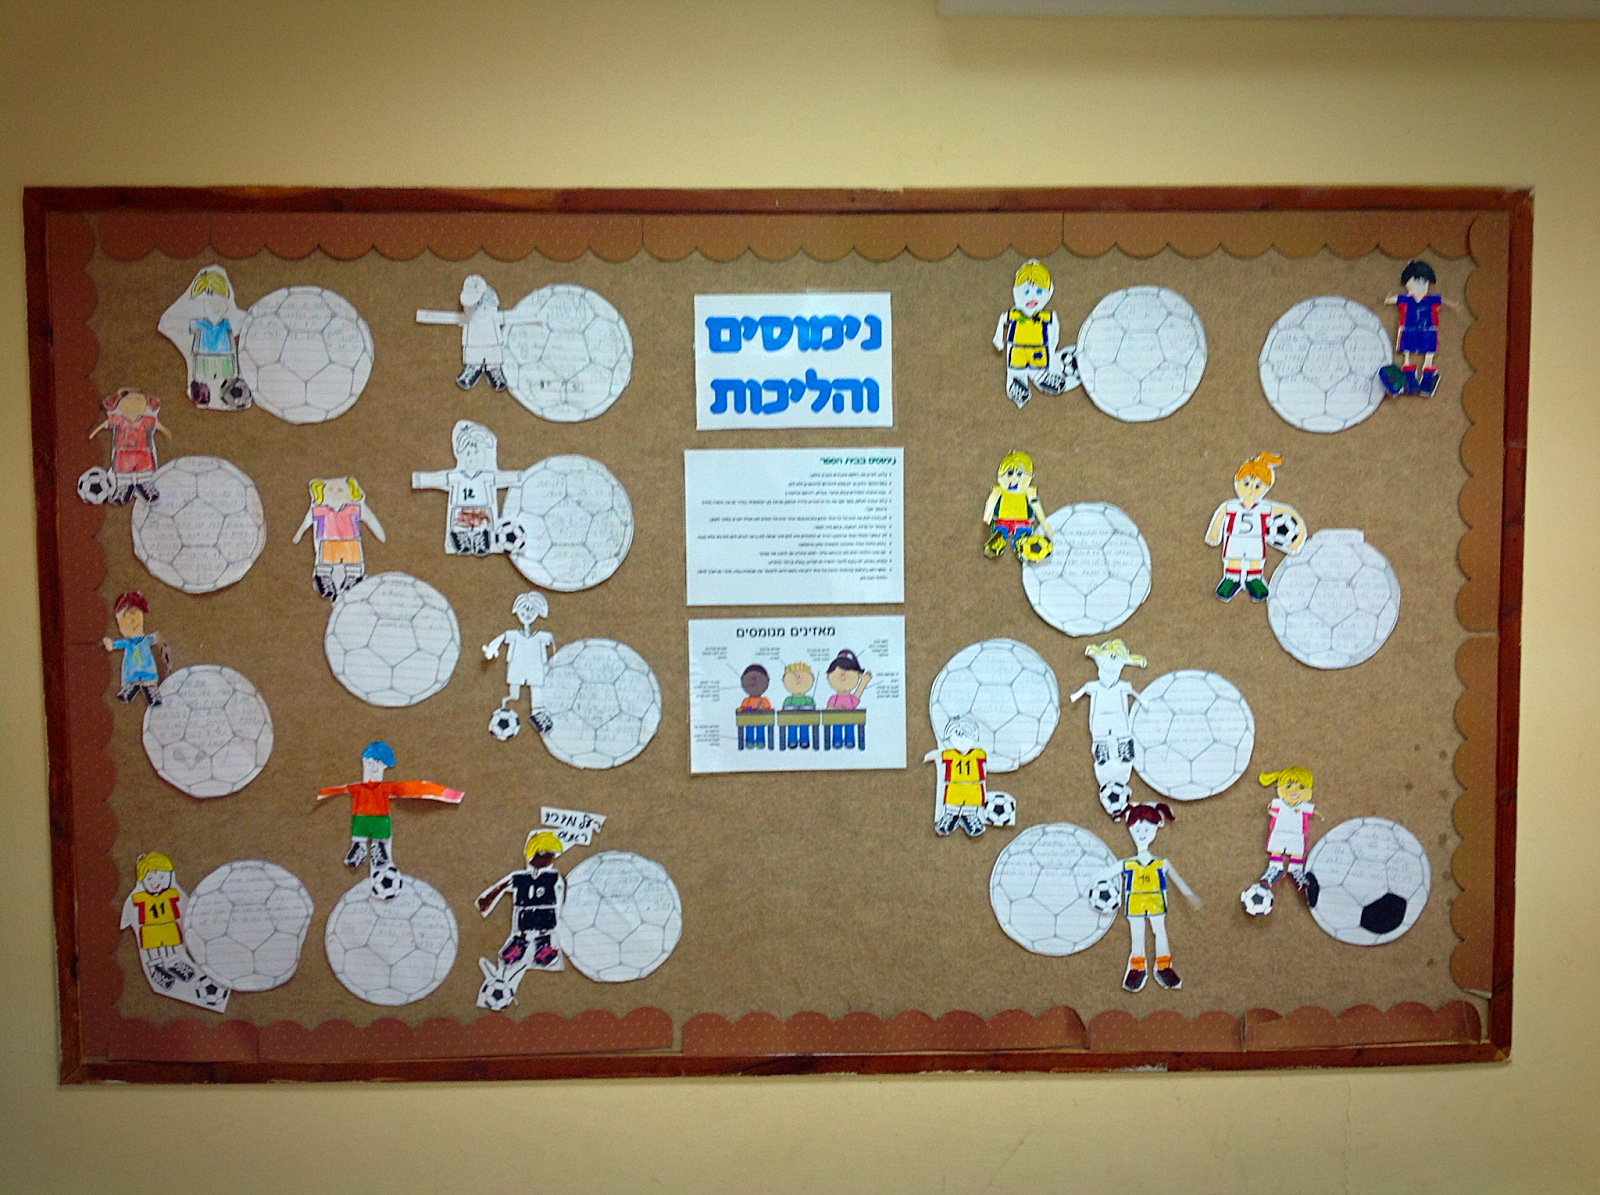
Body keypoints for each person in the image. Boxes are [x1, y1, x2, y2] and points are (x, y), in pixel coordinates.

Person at [316, 741, 464, 897]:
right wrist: (323, 793)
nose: (373, 767)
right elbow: (339, 789)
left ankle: (379, 850)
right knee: (360, 832)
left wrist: (446, 794)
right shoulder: (357, 788)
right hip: (361, 820)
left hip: (380, 822)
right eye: (370, 762)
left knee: (380, 836)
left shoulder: (386, 788)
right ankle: (359, 847)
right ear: (364, 761)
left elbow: (415, 788)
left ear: (384, 767)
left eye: (379, 763)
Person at [1111, 803, 1201, 993]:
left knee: (1160, 932)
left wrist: (1191, 896)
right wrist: (1094, 883)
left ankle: (1163, 966)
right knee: (1137, 935)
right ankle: (1137, 968)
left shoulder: (1161, 863)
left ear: (1156, 827)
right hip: (1135, 904)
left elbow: (1178, 880)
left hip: (1156, 903)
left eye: (1147, 829)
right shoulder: (1127, 864)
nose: (1142, 834)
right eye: (1137, 829)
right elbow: (1106, 874)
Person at [1203, 452, 1305, 602]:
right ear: (1237, 481)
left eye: (1257, 485)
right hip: (1235, 538)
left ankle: (1254, 579)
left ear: (1265, 487)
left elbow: (1288, 512)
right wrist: (1214, 533)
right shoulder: (1231, 506)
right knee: (1233, 557)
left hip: (1256, 540)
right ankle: (1231, 579)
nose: (1251, 488)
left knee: (1254, 559)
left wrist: (1299, 536)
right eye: (1246, 483)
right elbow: (1220, 515)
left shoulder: (1264, 508)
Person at [411, 420, 523, 556]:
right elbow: (440, 478)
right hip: (460, 510)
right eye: (468, 453)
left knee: (483, 525)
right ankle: (461, 541)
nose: (472, 458)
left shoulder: (487, 476)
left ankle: (482, 541)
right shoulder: (456, 476)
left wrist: (519, 477)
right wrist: (420, 480)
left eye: (476, 453)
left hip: (483, 510)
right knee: (460, 526)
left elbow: (500, 478)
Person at [1068, 640, 1147, 817]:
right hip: (1099, 719)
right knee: (1101, 739)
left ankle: (1124, 752)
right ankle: (1102, 754)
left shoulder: (1122, 686)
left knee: (1123, 737)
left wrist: (1143, 701)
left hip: (1119, 717)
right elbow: (1082, 691)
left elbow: (1134, 693)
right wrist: (1075, 696)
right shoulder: (1095, 686)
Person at [477, 830, 567, 978]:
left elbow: (562, 893)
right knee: (523, 928)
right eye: (549, 855)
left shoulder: (553, 877)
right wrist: (488, 898)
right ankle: (518, 945)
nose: (551, 860)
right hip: (525, 910)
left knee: (544, 929)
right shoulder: (520, 877)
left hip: (546, 910)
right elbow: (502, 886)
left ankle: (544, 947)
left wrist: (562, 910)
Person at [158, 265, 251, 409]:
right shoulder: (199, 323)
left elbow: (248, 321)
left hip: (225, 359)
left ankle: (227, 395)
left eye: (220, 299)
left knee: (225, 376)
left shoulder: (229, 321)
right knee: (206, 377)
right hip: (203, 359)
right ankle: (204, 394)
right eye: (208, 298)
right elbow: (167, 322)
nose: (215, 304)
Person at [992, 260, 1073, 408]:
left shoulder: (1047, 316)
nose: (1032, 298)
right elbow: (1003, 320)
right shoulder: (1015, 315)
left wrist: (1052, 346)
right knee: (1016, 368)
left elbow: (1054, 329)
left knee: (1039, 365)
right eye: (1026, 292)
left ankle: (1042, 377)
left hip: (1038, 348)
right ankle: (1014, 384)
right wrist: (998, 339)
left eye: (1039, 292)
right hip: (1017, 348)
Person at [291, 476, 386, 599]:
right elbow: (307, 521)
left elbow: (370, 519)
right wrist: (299, 534)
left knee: (353, 562)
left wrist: (380, 534)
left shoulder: (354, 509)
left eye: (340, 490)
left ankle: (353, 579)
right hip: (328, 542)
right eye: (330, 489)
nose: (335, 493)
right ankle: (324, 581)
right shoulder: (320, 510)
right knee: (326, 562)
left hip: (350, 542)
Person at [1381, 260, 1458, 397]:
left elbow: (1443, 300)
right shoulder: (1406, 299)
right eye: (1414, 284)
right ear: (1407, 285)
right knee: (1407, 354)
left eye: (1423, 283)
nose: (1419, 288)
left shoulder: (1431, 299)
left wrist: (1454, 304)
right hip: (1409, 330)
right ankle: (1409, 382)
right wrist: (1387, 299)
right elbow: (1393, 299)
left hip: (1428, 331)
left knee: (1429, 354)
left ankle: (1427, 383)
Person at [483, 591, 556, 735]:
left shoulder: (541, 636)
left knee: (536, 691)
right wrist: (491, 649)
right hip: (517, 667)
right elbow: (501, 638)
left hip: (535, 668)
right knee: (514, 695)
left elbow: (552, 644)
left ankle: (537, 714)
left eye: (531, 611)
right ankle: (505, 705)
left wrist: (553, 662)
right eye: (523, 611)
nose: (527, 615)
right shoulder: (514, 635)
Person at [1245, 767, 1318, 908]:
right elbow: (1270, 810)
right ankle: (1275, 868)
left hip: (1297, 833)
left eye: (1301, 787)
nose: (1294, 791)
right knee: (1276, 849)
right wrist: (1271, 812)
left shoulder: (1304, 806)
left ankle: (1295, 870)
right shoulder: (1278, 803)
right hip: (1279, 831)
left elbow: (1312, 812)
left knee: (1296, 851)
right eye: (1288, 786)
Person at [87, 388, 169, 504]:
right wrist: (92, 434)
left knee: (143, 470)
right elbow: (105, 424)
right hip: (123, 452)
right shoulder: (119, 419)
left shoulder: (146, 419)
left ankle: (145, 486)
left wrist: (169, 434)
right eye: (129, 400)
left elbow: (159, 426)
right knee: (123, 470)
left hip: (142, 451)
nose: (133, 403)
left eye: (138, 400)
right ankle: (124, 488)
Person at [923, 715, 992, 837]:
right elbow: (939, 754)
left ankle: (971, 818)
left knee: (971, 804)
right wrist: (929, 756)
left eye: (966, 736)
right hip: (955, 785)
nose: (961, 740)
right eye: (956, 736)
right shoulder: (950, 753)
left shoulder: (979, 753)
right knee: (952, 803)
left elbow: (989, 759)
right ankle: (949, 817)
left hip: (973, 786)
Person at [983, 450, 1054, 562]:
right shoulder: (998, 490)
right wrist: (987, 516)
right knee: (996, 539)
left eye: (1020, 474)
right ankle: (997, 543)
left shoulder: (1029, 491)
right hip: (1002, 521)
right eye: (1010, 473)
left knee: (1022, 541)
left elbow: (1036, 506)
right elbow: (991, 502)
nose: (1014, 479)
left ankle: (1022, 548)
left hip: (1023, 522)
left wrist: (1044, 523)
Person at [102, 590, 169, 706]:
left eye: (134, 613)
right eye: (126, 615)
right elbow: (116, 644)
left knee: (149, 680)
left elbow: (155, 638)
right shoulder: (127, 642)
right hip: (131, 670)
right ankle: (128, 690)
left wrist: (159, 638)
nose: (132, 620)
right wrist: (111, 644)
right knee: (131, 679)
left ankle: (152, 693)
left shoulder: (145, 639)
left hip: (147, 668)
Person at [823, 650, 872, 749]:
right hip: (836, 720)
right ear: (829, 676)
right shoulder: (833, 698)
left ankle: (850, 740)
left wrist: (863, 683)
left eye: (848, 670)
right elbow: (828, 710)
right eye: (838, 670)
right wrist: (837, 710)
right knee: (837, 728)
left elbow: (857, 696)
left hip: (850, 719)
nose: (843, 674)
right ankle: (836, 740)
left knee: (849, 727)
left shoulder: (851, 698)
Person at [779, 661, 817, 748]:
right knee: (791, 728)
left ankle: (805, 740)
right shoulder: (788, 700)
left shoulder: (809, 699)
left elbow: (813, 710)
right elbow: (784, 711)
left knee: (804, 728)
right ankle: (792, 741)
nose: (798, 679)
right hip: (792, 720)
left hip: (805, 720)